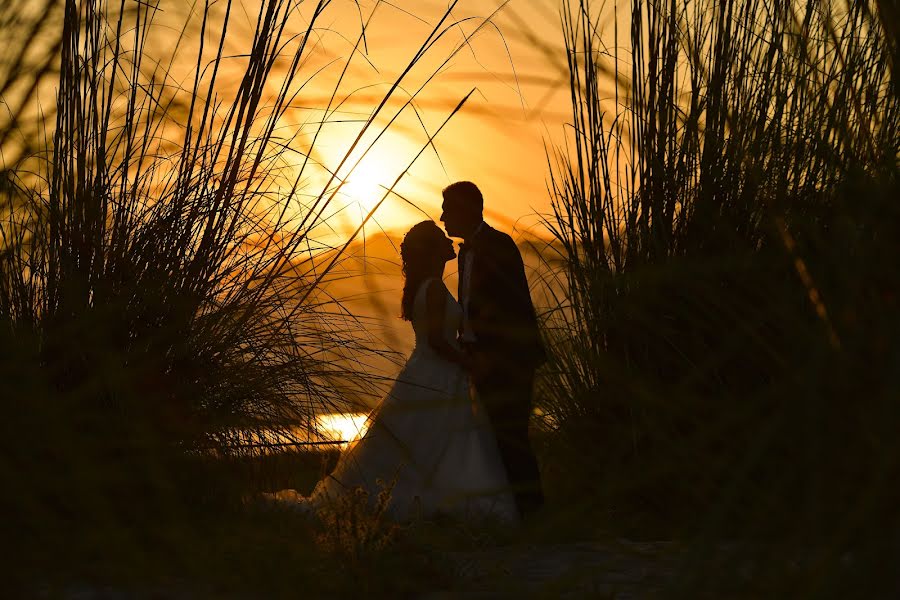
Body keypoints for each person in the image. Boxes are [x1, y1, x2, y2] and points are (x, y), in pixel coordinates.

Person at [270, 220, 517, 522]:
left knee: (424, 440)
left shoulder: (422, 287)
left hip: (426, 371)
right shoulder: (435, 288)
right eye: (441, 238)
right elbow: (438, 342)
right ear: (432, 250)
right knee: (436, 439)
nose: (448, 242)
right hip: (438, 374)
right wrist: (470, 363)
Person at [440, 181, 546, 516]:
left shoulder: (498, 245)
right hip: (481, 359)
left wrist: (487, 354)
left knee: (511, 437)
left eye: (447, 209)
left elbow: (507, 307)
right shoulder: (469, 251)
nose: (442, 217)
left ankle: (533, 515)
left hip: (507, 361)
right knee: (496, 440)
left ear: (467, 209)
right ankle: (516, 513)